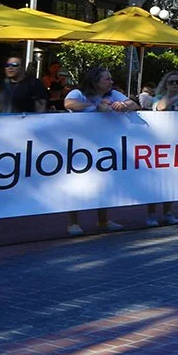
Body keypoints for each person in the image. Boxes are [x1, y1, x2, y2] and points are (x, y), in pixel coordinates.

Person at [63, 65, 138, 236]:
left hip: (104, 146)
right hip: (80, 146)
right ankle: (73, 223)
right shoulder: (78, 93)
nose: (111, 82)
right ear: (95, 81)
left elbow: (133, 104)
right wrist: (96, 106)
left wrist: (122, 105)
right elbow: (68, 103)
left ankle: (103, 220)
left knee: (104, 182)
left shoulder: (113, 94)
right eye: (107, 79)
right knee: (76, 183)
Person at [144, 70, 178, 227]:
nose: (174, 85)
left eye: (177, 82)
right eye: (171, 82)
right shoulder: (159, 97)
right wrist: (174, 98)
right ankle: (151, 214)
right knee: (155, 181)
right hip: (157, 142)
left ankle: (167, 212)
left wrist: (175, 108)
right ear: (165, 84)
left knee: (170, 179)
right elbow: (160, 107)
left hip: (175, 143)